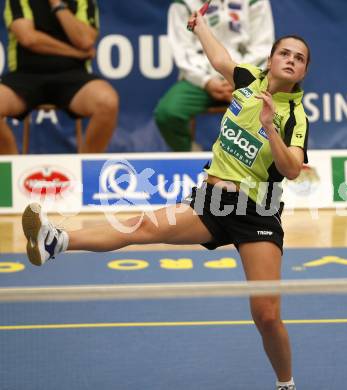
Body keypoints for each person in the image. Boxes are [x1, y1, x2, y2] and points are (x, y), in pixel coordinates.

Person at [22, 9, 310, 390]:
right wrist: (200, 25)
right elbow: (220, 58)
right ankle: (54, 240)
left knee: (267, 315)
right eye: (285, 53)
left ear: (303, 71)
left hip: (255, 212)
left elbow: (292, 168)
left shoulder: (296, 116)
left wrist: (270, 128)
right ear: (270, 59)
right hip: (210, 203)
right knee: (140, 225)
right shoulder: (246, 81)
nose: (291, 60)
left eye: (299, 58)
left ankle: (285, 383)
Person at [0, 0, 119, 154]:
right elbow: (29, 39)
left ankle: (86, 169)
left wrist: (57, 4)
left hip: (73, 75)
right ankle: (11, 171)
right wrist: (76, 53)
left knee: (107, 102)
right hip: (25, 75)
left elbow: (85, 40)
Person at [154, 0, 274, 151]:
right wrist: (207, 81)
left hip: (245, 78)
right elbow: (182, 51)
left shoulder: (255, 2)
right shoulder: (184, 3)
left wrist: (238, 77)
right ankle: (189, 155)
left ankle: (261, 160)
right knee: (168, 113)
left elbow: (263, 47)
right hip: (201, 81)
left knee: (274, 109)